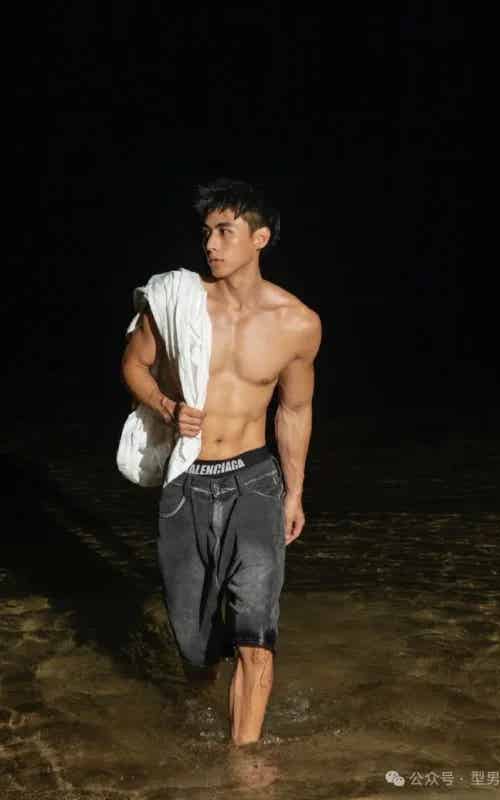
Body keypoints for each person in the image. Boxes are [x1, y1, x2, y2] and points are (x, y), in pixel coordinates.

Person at [120, 177, 322, 745]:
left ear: (259, 238)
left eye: (225, 231)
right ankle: (201, 705)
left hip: (253, 481)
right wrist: (166, 405)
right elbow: (133, 364)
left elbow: (295, 410)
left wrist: (294, 493)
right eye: (207, 231)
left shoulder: (296, 323)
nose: (210, 244)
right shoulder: (175, 302)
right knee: (195, 645)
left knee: (255, 634)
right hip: (186, 481)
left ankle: (245, 768)